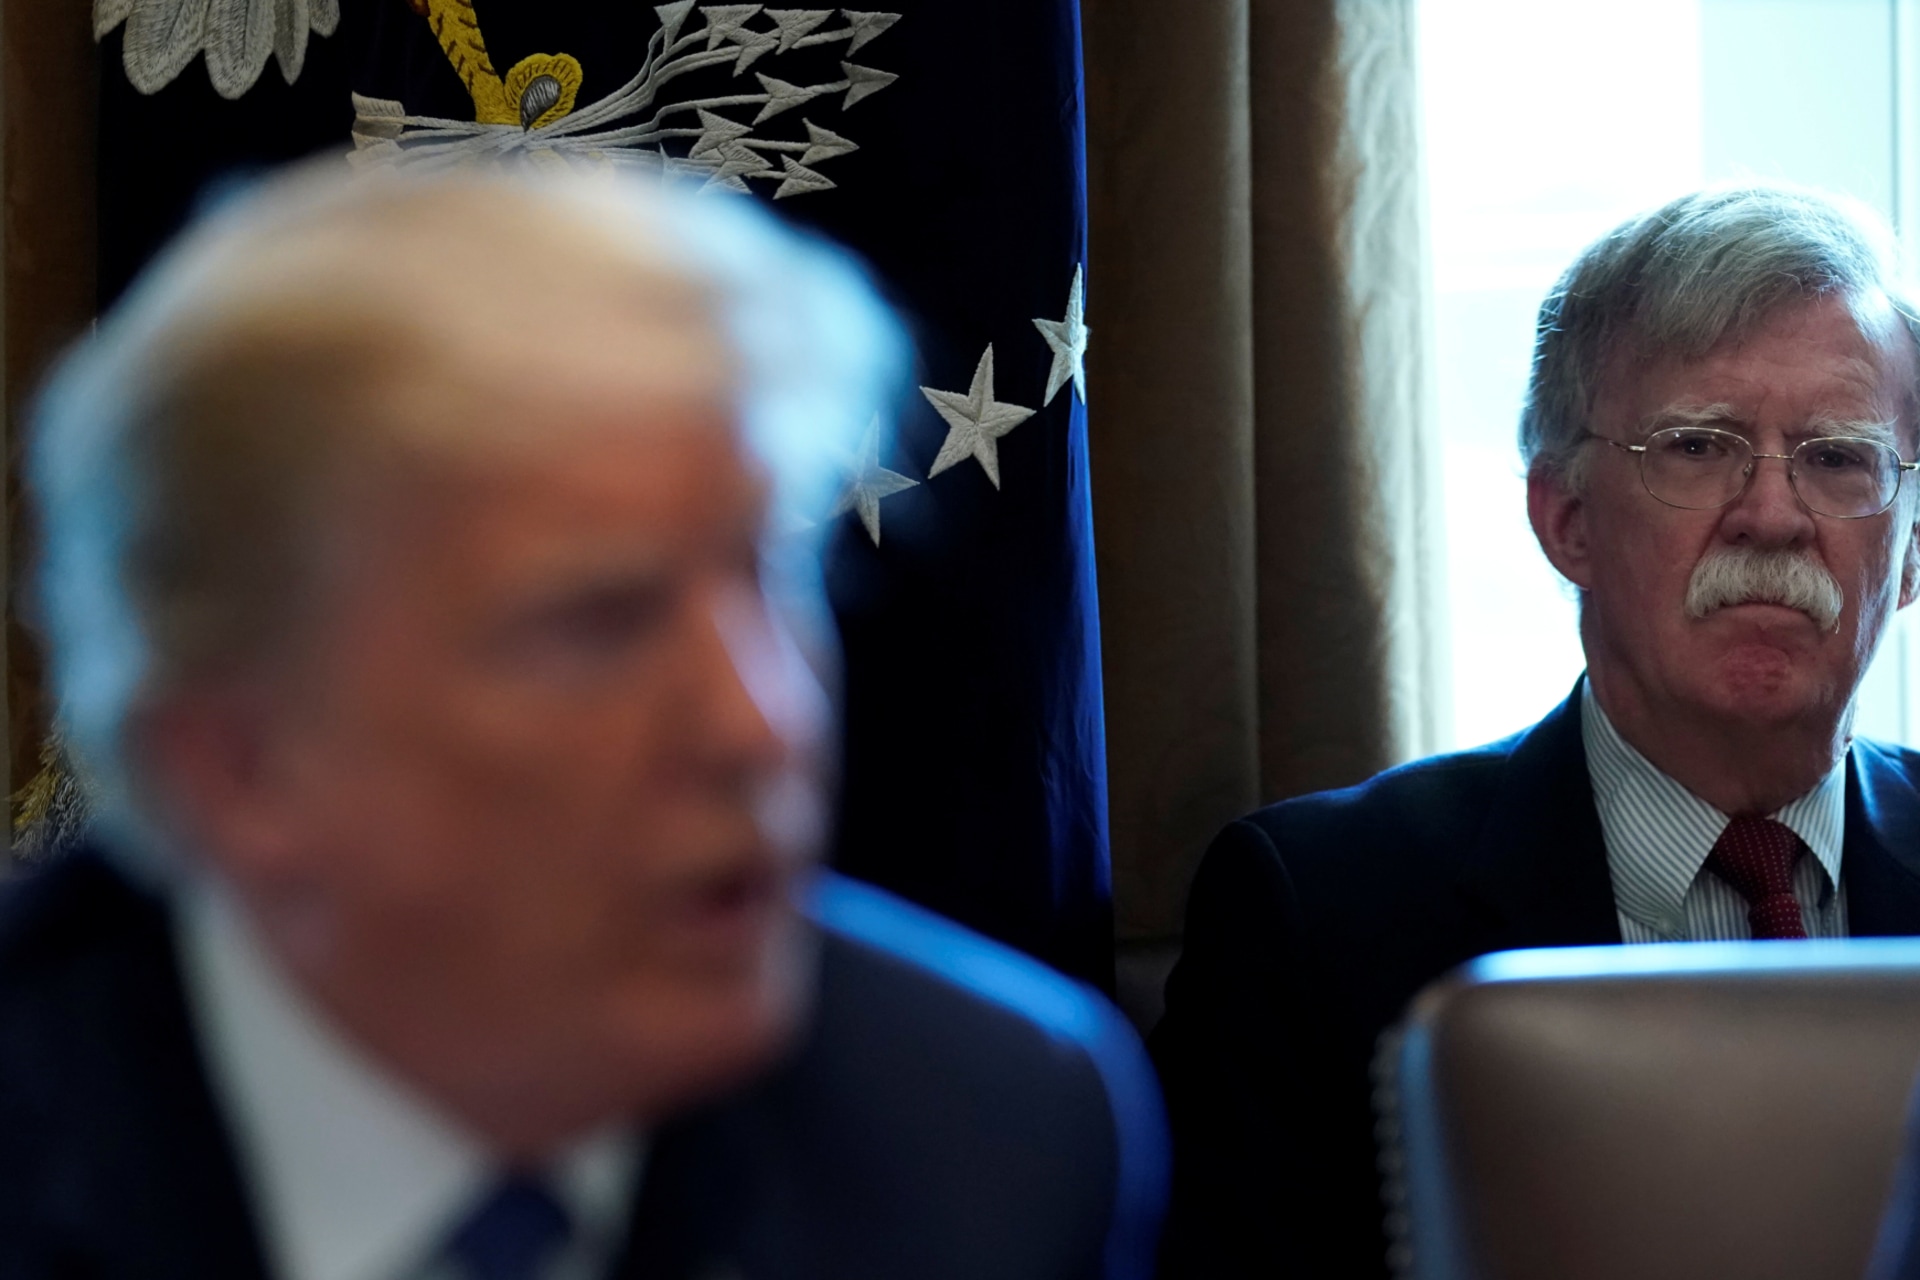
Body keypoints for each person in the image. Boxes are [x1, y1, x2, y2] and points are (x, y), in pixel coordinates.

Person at [0, 163, 1165, 1280]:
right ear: (237, 763)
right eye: (599, 622)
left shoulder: (989, 1132)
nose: (762, 722)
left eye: (774, 572)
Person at [1150, 184, 1920, 1279]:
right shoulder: (1312, 914)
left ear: (1914, 550)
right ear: (1566, 519)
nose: (1773, 512)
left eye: (1839, 456)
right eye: (1697, 446)